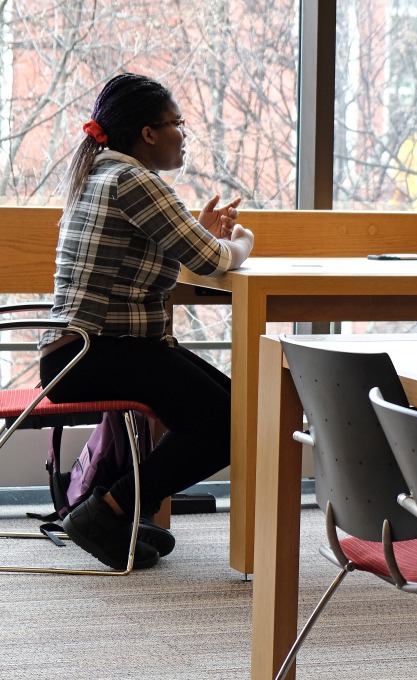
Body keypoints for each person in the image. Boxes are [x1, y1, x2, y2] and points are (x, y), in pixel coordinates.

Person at [38, 73, 255, 570]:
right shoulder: (133, 180)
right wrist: (241, 241)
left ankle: (117, 514)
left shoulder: (105, 175)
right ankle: (110, 510)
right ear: (149, 133)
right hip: (95, 353)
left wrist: (201, 238)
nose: (185, 135)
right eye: (177, 124)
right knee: (229, 423)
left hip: (88, 349)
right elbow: (213, 260)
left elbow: (168, 255)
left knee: (238, 413)